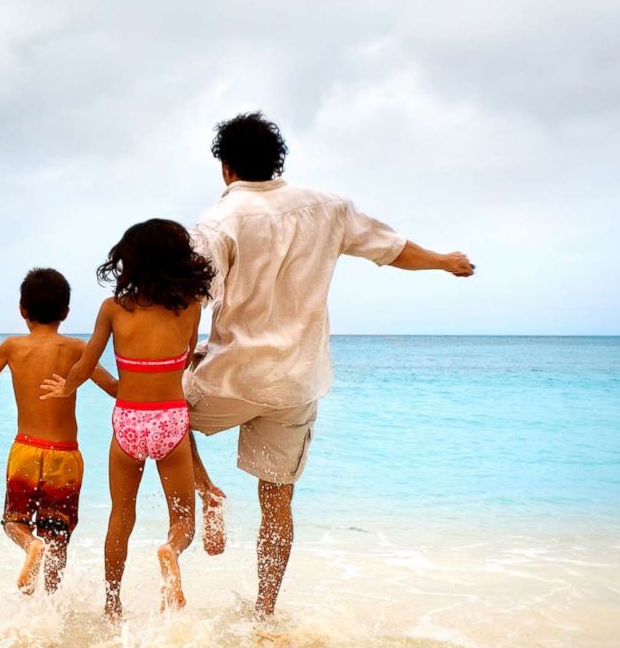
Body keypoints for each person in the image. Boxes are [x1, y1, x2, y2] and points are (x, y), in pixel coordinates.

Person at [186, 112, 475, 618]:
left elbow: (191, 301)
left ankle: (205, 491)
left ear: (227, 168)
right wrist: (444, 260)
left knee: (154, 418)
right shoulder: (329, 208)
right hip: (296, 383)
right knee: (276, 503)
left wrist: (171, 366)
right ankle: (264, 612)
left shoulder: (218, 222)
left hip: (229, 377)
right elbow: (393, 249)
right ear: (278, 161)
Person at [42, 220, 215, 619]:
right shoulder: (191, 306)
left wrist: (65, 389)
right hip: (171, 419)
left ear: (130, 261)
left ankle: (112, 603)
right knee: (183, 518)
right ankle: (170, 550)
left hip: (129, 422)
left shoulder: (113, 309)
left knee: (122, 515)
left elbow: (87, 364)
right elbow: (187, 356)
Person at [0, 268, 117, 594]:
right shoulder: (76, 349)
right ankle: (50, 606)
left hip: (25, 449)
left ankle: (29, 546)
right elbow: (113, 388)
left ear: (22, 311)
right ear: (66, 313)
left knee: (14, 521)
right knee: (58, 539)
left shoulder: (12, 347)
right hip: (65, 456)